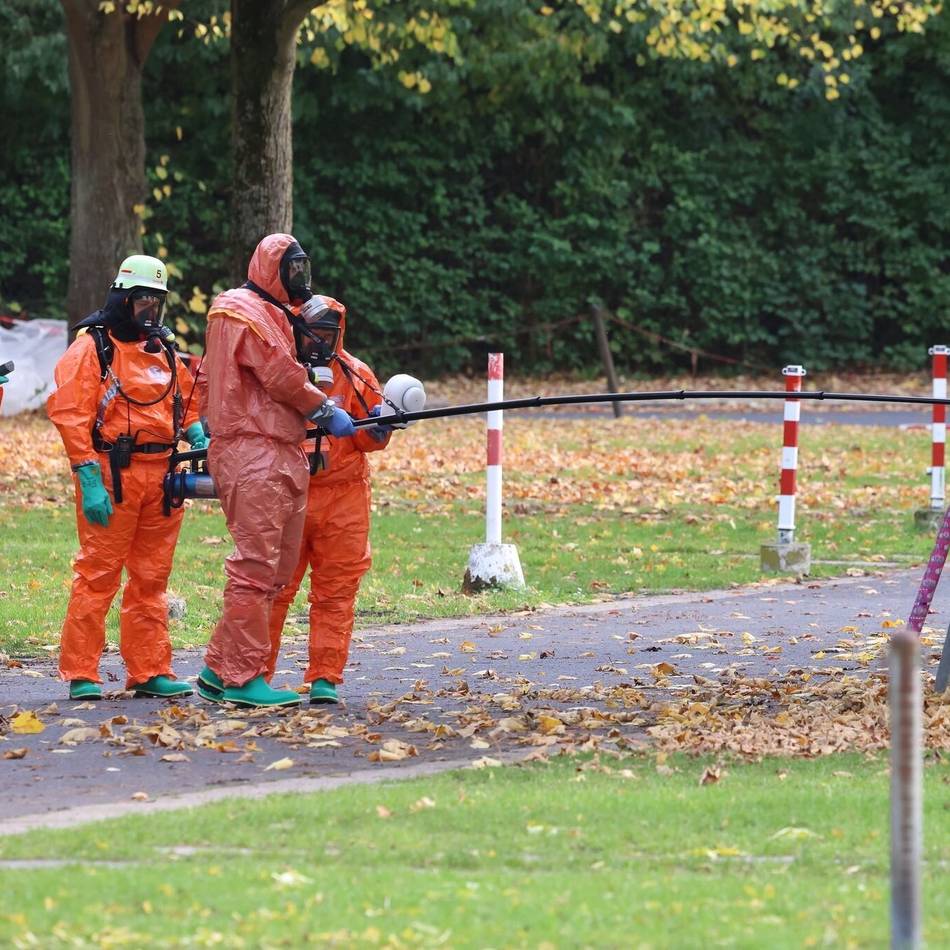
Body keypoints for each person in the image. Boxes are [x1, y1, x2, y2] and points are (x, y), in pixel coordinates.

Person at [196, 233, 355, 709]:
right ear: (272, 269)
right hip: (252, 448)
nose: (300, 281)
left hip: (280, 446)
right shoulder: (242, 311)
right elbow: (280, 373)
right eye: (293, 270)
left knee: (278, 570)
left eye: (303, 270)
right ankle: (243, 680)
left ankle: (216, 669)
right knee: (255, 567)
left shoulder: (273, 314)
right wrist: (323, 408)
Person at [46, 255, 207, 701]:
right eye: (143, 302)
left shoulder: (166, 351)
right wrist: (88, 477)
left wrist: (197, 436)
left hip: (163, 478)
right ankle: (82, 672)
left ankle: (150, 670)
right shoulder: (93, 348)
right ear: (123, 298)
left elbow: (185, 403)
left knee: (152, 578)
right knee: (98, 575)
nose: (150, 312)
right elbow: (70, 414)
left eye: (157, 303)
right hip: (112, 475)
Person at [265, 295, 397, 704]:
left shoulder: (355, 373)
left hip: (344, 496)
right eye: (314, 334)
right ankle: (251, 672)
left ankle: (325, 677)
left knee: (336, 591)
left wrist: (379, 430)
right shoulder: (282, 372)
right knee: (273, 588)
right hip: (290, 493)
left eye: (328, 335)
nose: (320, 343)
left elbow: (366, 433)